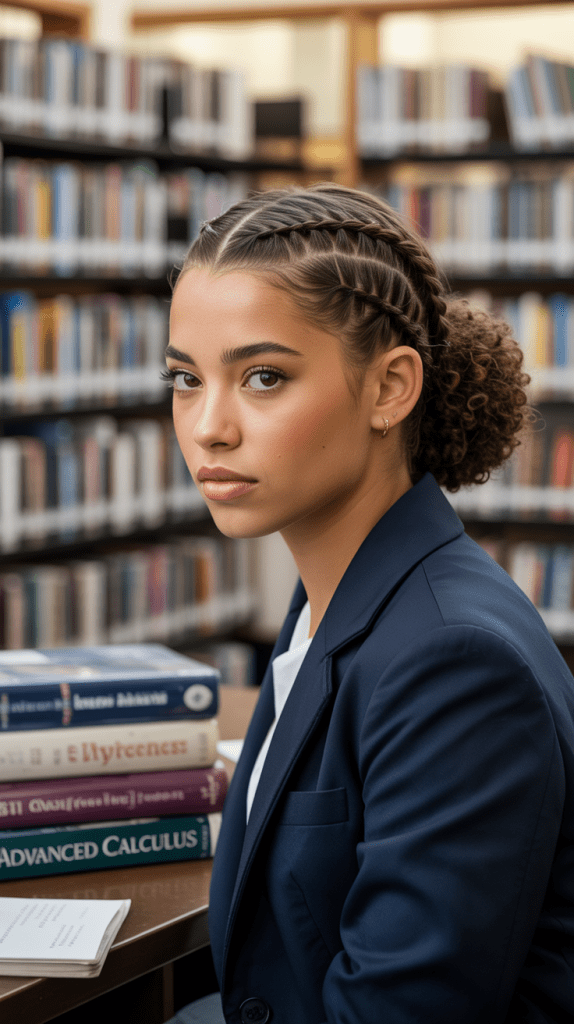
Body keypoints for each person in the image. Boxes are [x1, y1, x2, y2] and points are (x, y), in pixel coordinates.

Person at [164, 182, 574, 1024]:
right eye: (184, 377)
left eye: (264, 377)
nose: (208, 426)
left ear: (390, 388)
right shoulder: (338, 598)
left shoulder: (455, 659)